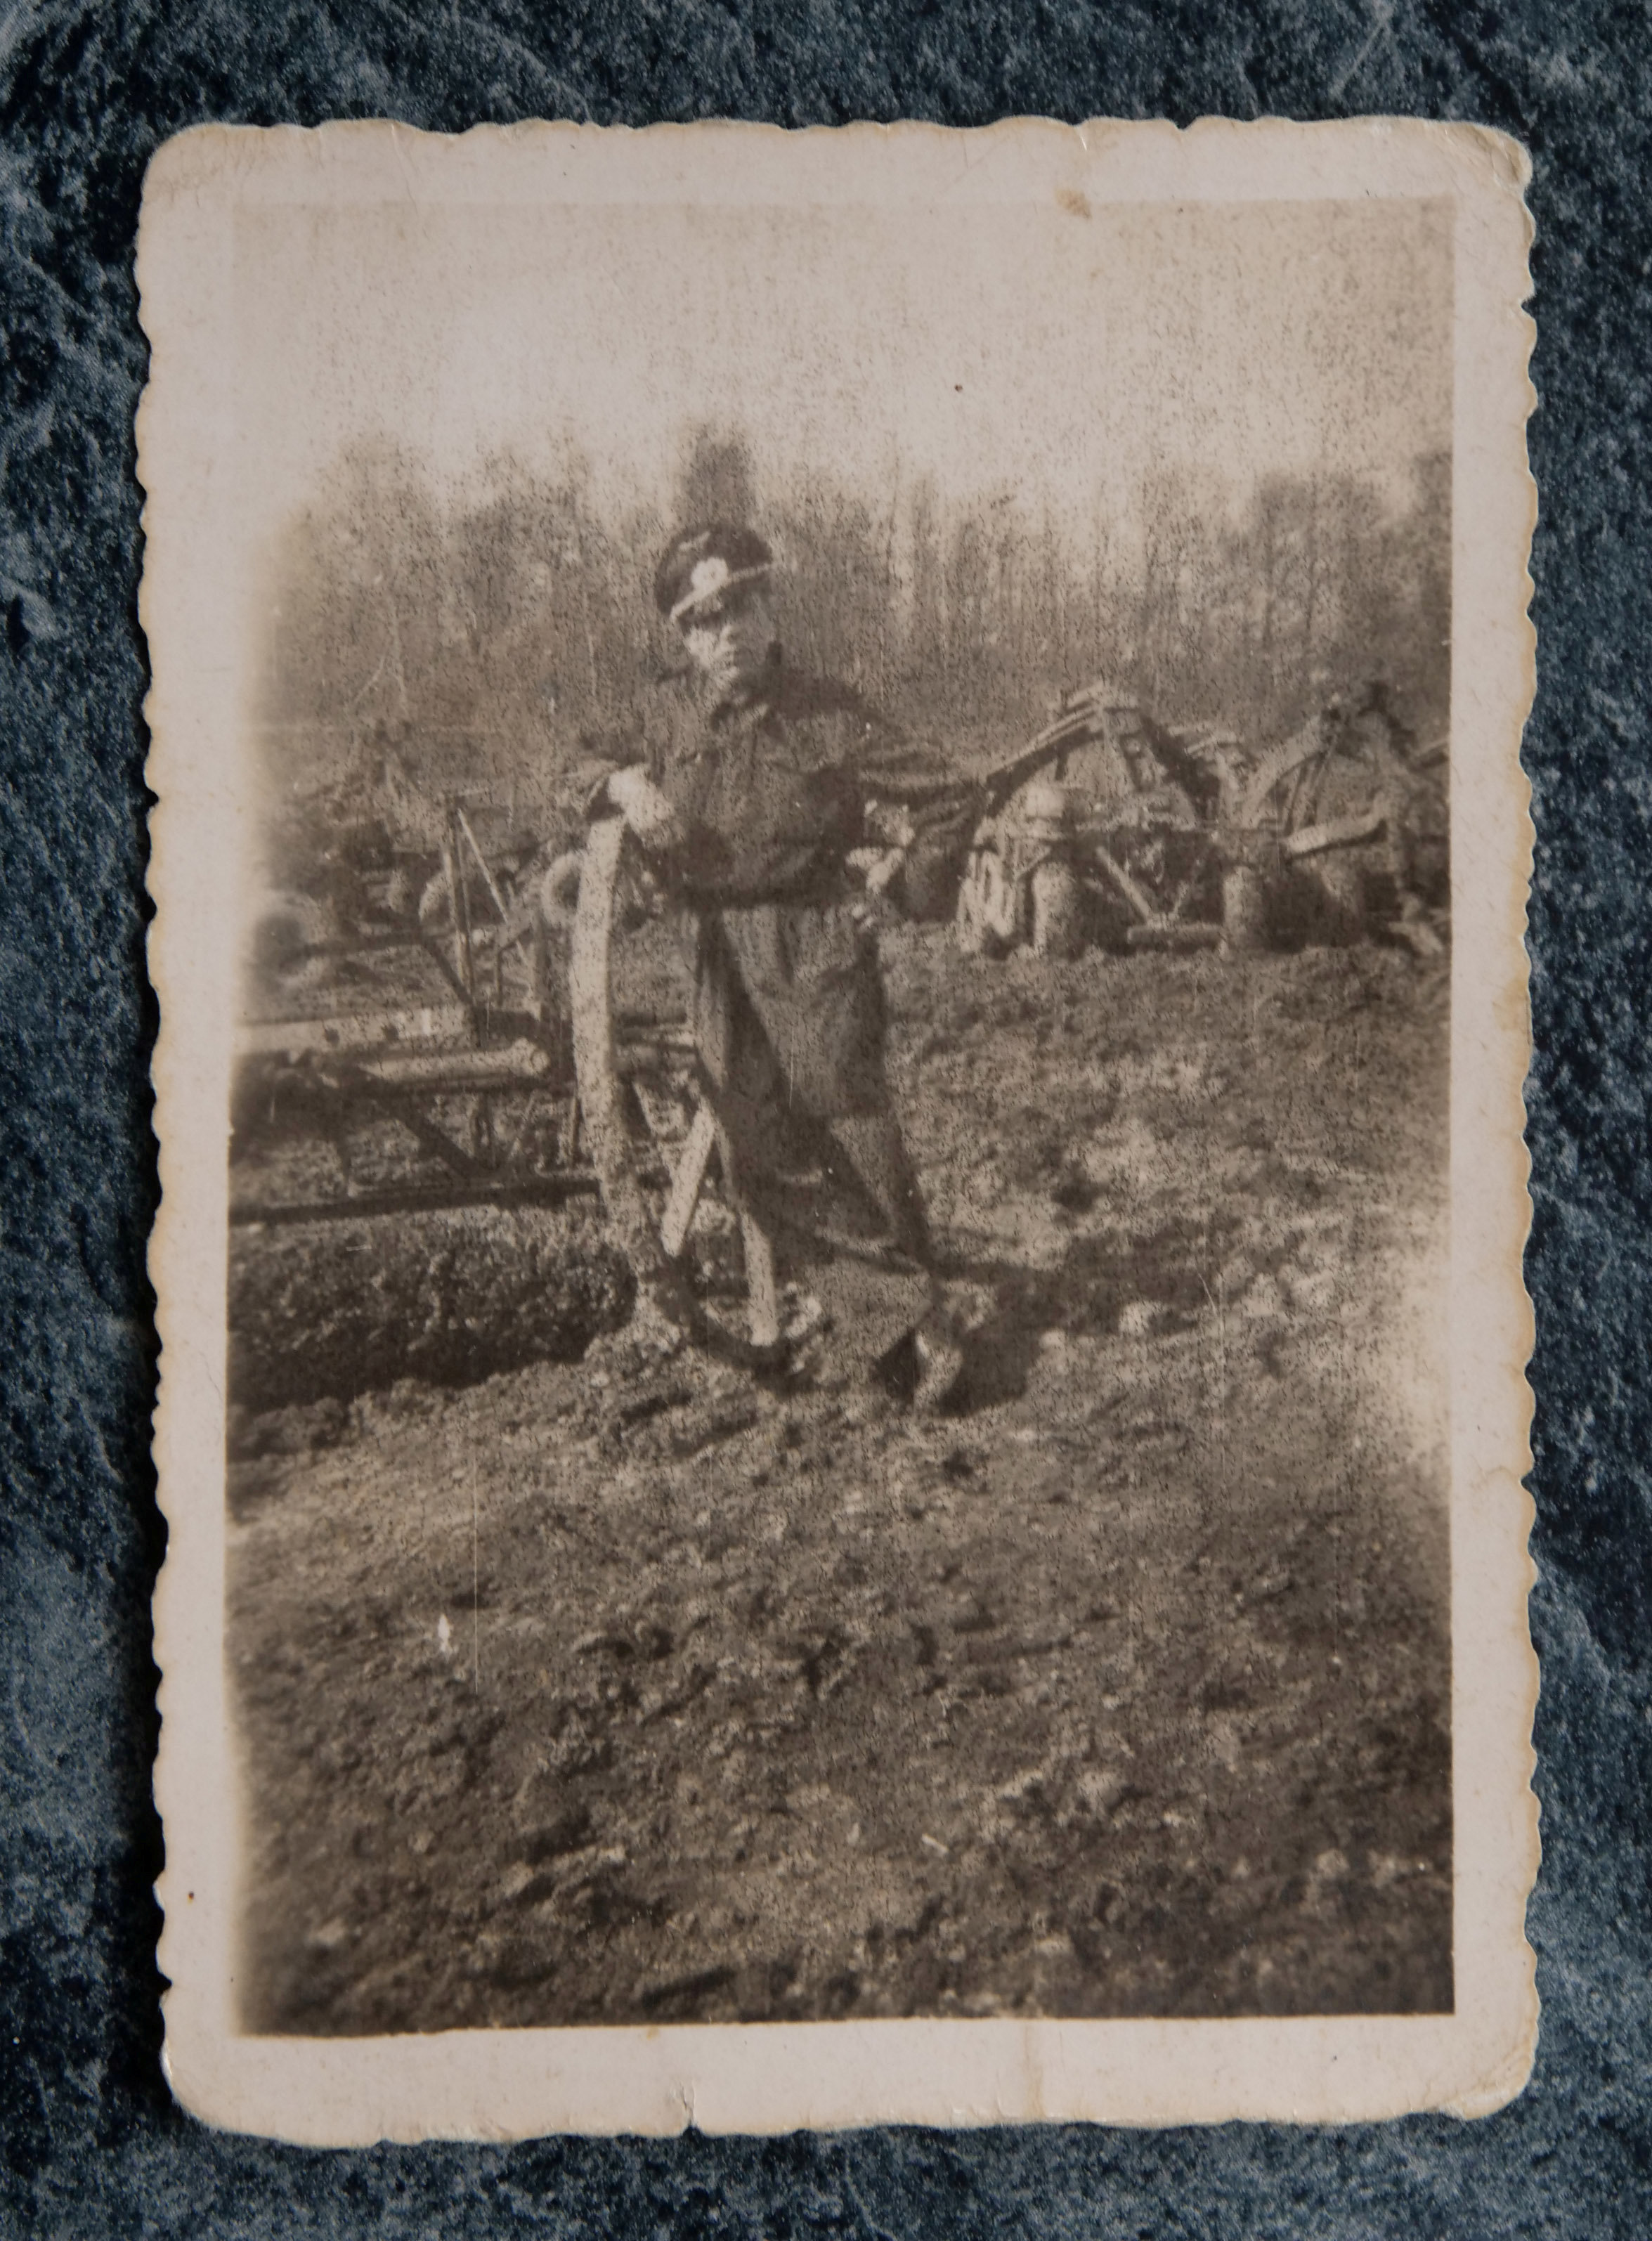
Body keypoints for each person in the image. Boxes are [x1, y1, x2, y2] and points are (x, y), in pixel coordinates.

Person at [592, 521, 973, 1405]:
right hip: (712, 954)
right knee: (757, 1162)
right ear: (682, 636)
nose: (721, 634)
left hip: (812, 947)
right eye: (700, 620)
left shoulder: (830, 715)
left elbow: (953, 794)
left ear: (769, 610)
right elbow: (571, 758)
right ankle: (909, 1313)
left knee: (853, 1134)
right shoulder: (663, 714)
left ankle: (915, 1349)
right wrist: (621, 782)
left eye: (737, 609)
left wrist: (903, 897)